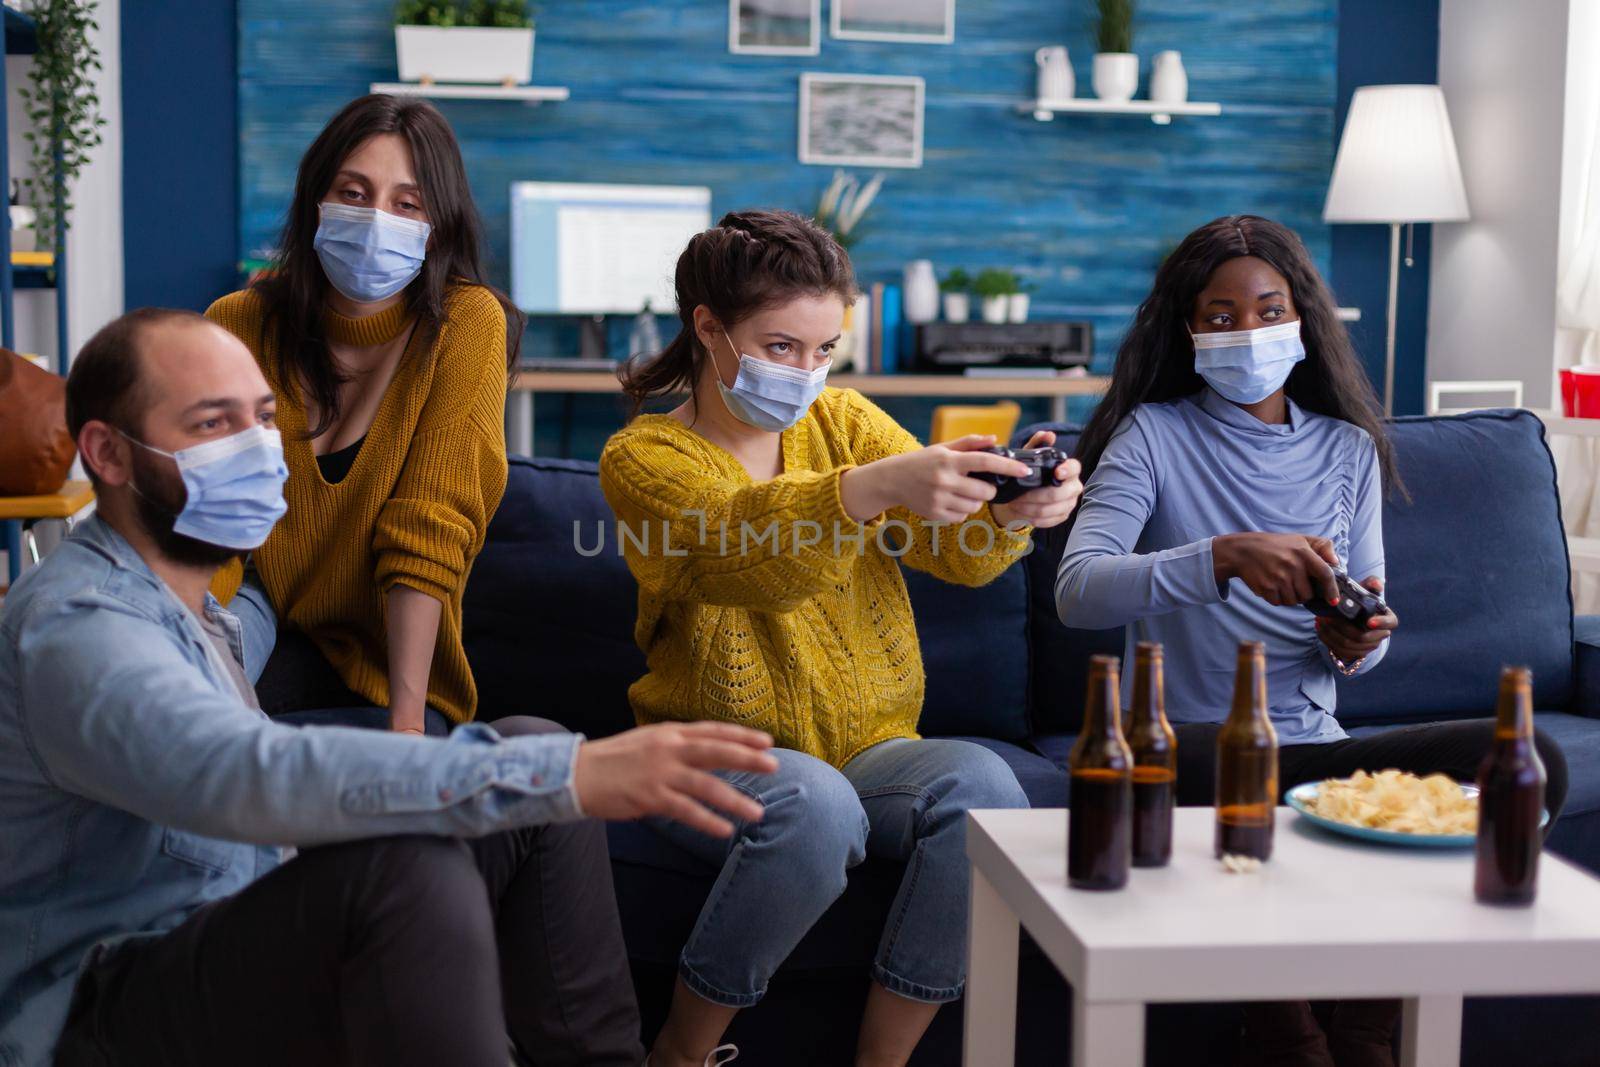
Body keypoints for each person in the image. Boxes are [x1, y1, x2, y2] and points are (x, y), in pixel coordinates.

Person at [0, 307, 780, 1067]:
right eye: (211, 425)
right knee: (421, 864)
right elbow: (241, 772)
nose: (255, 449)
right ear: (108, 453)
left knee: (536, 750)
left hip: (229, 926)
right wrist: (575, 775)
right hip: (101, 1000)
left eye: (264, 417)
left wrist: (552, 772)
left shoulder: (198, 601)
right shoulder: (81, 626)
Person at [1055, 214, 1569, 1067]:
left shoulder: (1346, 450)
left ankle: (1366, 1032)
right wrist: (1224, 557)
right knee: (1240, 791)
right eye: (1219, 315)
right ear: (1188, 330)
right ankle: (1287, 1032)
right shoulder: (1153, 435)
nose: (1245, 332)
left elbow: (1362, 635)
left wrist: (1355, 634)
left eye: (1266, 309)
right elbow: (1079, 589)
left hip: (1310, 748)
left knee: (1531, 758)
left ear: (1302, 320)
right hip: (1185, 752)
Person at [598, 210, 1084, 1067]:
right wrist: (863, 490)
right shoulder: (643, 458)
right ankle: (678, 1051)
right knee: (814, 805)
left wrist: (1009, 513)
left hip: (873, 749)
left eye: (825, 350)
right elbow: (737, 554)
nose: (808, 373)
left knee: (985, 788)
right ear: (708, 326)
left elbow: (955, 556)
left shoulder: (848, 423)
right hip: (717, 750)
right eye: (782, 346)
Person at [206, 93, 518, 735]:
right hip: (261, 616)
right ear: (316, 201)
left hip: (389, 655)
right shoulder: (236, 322)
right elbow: (212, 524)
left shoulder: (464, 324)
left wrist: (405, 731)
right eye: (353, 192)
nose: (377, 220)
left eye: (408, 204)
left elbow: (430, 526)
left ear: (439, 224)